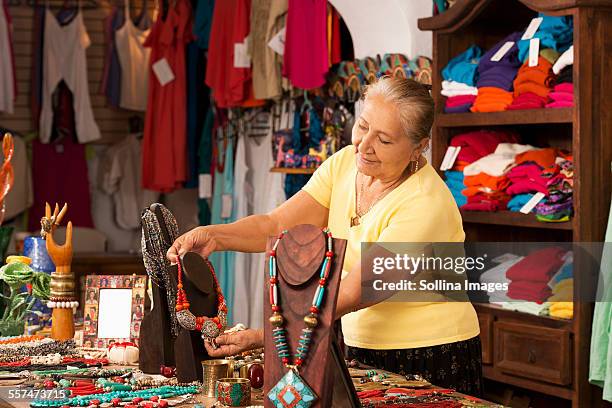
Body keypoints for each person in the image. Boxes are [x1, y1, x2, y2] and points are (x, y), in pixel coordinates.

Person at [167, 77, 482, 395]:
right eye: (363, 126)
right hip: (360, 347)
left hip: (429, 353)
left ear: (419, 146)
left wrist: (266, 335)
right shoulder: (346, 164)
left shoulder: (426, 204)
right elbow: (277, 225)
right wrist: (215, 236)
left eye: (384, 140)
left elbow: (353, 292)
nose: (363, 144)